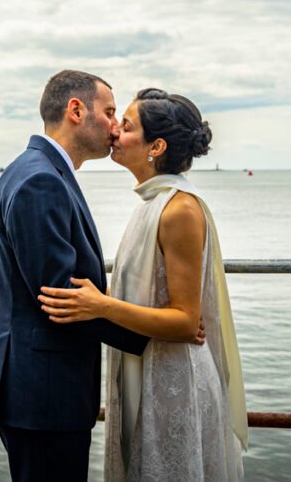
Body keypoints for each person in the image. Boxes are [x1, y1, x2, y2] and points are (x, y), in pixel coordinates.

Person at [39, 88, 248, 481]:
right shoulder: (151, 203)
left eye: (127, 125)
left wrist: (100, 306)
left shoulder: (179, 208)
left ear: (156, 146)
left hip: (174, 382)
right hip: (150, 368)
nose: (115, 130)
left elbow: (187, 324)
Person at [0, 70, 150, 482]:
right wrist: (156, 330)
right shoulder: (41, 181)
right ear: (75, 110)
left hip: (33, 386)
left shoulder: (38, 170)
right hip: (42, 392)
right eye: (108, 112)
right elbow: (61, 298)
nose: (115, 125)